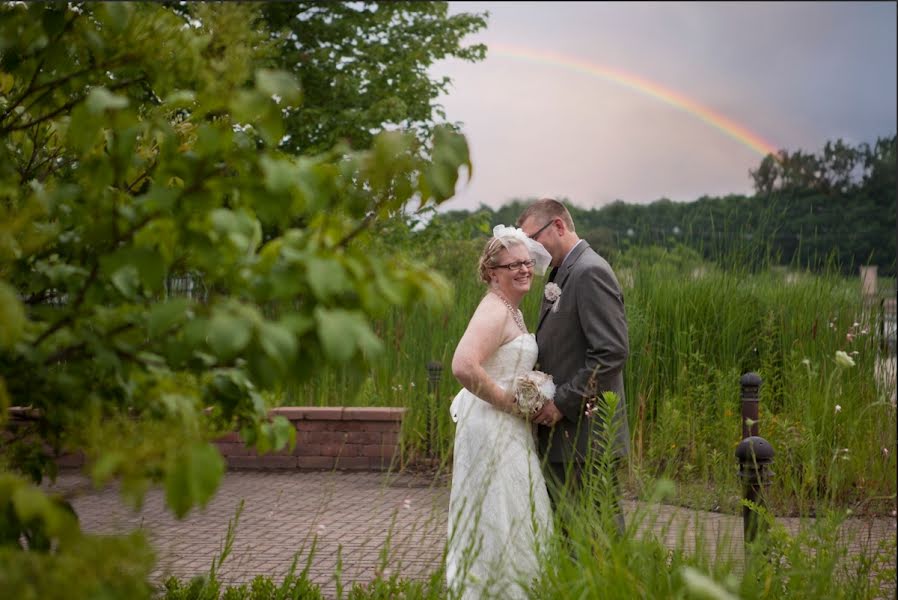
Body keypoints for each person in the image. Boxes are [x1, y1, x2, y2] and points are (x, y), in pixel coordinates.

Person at [445, 225, 554, 599]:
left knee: (514, 510)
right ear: (493, 272)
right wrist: (510, 402)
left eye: (527, 262)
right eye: (513, 265)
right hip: (492, 427)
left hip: (506, 428)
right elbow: (463, 365)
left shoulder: (510, 308)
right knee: (498, 514)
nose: (524, 270)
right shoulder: (493, 310)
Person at [517, 198, 630, 537]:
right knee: (573, 536)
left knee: (597, 537)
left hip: (585, 434)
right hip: (568, 438)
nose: (530, 252)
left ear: (559, 227)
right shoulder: (562, 272)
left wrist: (562, 403)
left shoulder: (589, 271)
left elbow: (610, 351)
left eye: (532, 240)